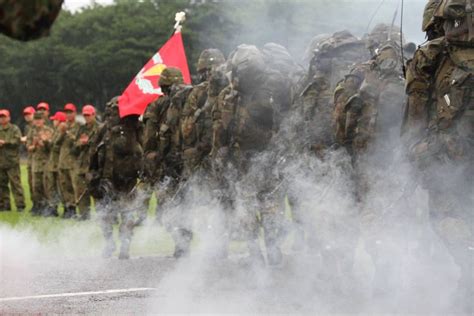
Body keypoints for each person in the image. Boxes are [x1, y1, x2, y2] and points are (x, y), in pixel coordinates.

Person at [403, 0, 473, 312]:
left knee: (447, 217)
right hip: (451, 159)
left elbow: (415, 117)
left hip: (446, 159)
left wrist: (415, 152)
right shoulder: (433, 54)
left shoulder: (430, 54)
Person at [212, 45, 290, 265]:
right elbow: (288, 120)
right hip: (270, 159)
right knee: (270, 204)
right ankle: (273, 249)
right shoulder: (275, 87)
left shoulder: (229, 96)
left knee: (247, 206)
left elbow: (221, 133)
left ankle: (255, 252)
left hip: (244, 162)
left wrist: (220, 161)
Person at [88, 98, 144, 259]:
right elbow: (93, 153)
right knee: (105, 215)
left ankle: (124, 246)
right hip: (107, 180)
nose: (112, 116)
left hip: (126, 181)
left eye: (115, 112)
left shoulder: (134, 129)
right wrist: (92, 176)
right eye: (110, 113)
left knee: (125, 214)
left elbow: (144, 149)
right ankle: (111, 243)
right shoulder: (103, 130)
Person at [72, 105, 99, 220]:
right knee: (81, 191)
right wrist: (80, 143)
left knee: (97, 191)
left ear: (94, 115)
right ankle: (84, 215)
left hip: (94, 164)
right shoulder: (81, 129)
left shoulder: (99, 128)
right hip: (81, 165)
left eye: (89, 115)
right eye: (85, 115)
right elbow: (73, 148)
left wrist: (89, 142)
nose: (87, 117)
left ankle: (102, 215)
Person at [27, 112, 54, 216]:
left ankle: (49, 208)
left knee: (47, 187)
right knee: (36, 187)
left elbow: (52, 147)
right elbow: (28, 148)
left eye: (39, 119)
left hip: (46, 163)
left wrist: (45, 141)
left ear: (44, 120)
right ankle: (39, 208)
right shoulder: (31, 131)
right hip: (35, 163)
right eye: (36, 119)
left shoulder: (49, 131)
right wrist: (34, 145)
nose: (37, 121)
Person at [57, 103, 81, 219]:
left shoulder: (79, 126)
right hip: (63, 161)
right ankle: (68, 208)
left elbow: (78, 143)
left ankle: (76, 209)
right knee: (64, 187)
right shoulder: (62, 126)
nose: (68, 115)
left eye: (70, 112)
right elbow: (55, 143)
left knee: (74, 187)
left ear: (75, 113)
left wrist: (67, 133)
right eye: (66, 112)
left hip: (73, 162)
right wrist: (61, 133)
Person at [0, 109, 25, 212]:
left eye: (4, 116)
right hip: (1, 162)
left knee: (16, 184)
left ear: (9, 118)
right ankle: (5, 205)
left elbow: (17, 141)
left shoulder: (14, 129)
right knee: (2, 185)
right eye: (1, 117)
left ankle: (20, 206)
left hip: (12, 162)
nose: (2, 119)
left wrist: (5, 143)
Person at [43, 111, 67, 217]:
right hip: (53, 163)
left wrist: (48, 141)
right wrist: (46, 141)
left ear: (59, 120)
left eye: (55, 120)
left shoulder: (61, 130)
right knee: (51, 187)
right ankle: (54, 208)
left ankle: (67, 208)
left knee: (61, 187)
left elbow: (56, 145)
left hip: (59, 163)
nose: (53, 122)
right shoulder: (56, 131)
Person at [22, 106, 36, 201]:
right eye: (25, 115)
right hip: (30, 156)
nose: (27, 116)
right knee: (30, 181)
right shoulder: (27, 127)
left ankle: (43, 204)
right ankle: (35, 203)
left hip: (39, 157)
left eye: (29, 114)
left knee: (38, 182)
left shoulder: (39, 126)